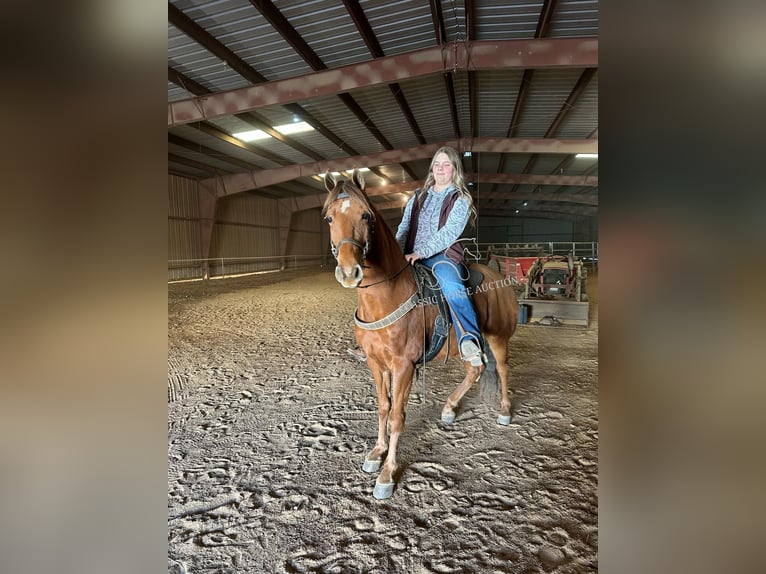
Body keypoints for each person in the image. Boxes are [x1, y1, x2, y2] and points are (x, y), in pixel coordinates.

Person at [395, 146, 485, 366]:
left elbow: (449, 233)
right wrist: (397, 250)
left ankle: (469, 339)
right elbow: (404, 227)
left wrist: (421, 252)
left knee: (452, 287)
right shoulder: (417, 196)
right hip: (409, 254)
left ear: (455, 169)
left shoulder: (460, 198)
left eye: (446, 164)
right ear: (431, 168)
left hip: (441, 256)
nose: (441, 168)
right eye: (437, 164)